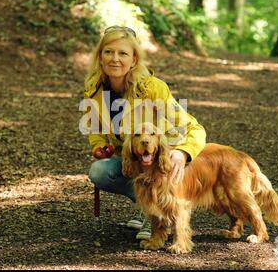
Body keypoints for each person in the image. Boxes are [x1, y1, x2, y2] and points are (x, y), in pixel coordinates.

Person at [82, 25, 206, 240]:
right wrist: (99, 145)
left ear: (134, 60)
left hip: (161, 163)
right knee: (99, 172)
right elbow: (95, 126)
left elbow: (193, 127)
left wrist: (183, 152)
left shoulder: (152, 88)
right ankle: (147, 207)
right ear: (100, 57)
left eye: (123, 53)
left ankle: (158, 214)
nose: (115, 59)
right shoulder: (94, 87)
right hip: (132, 159)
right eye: (108, 52)